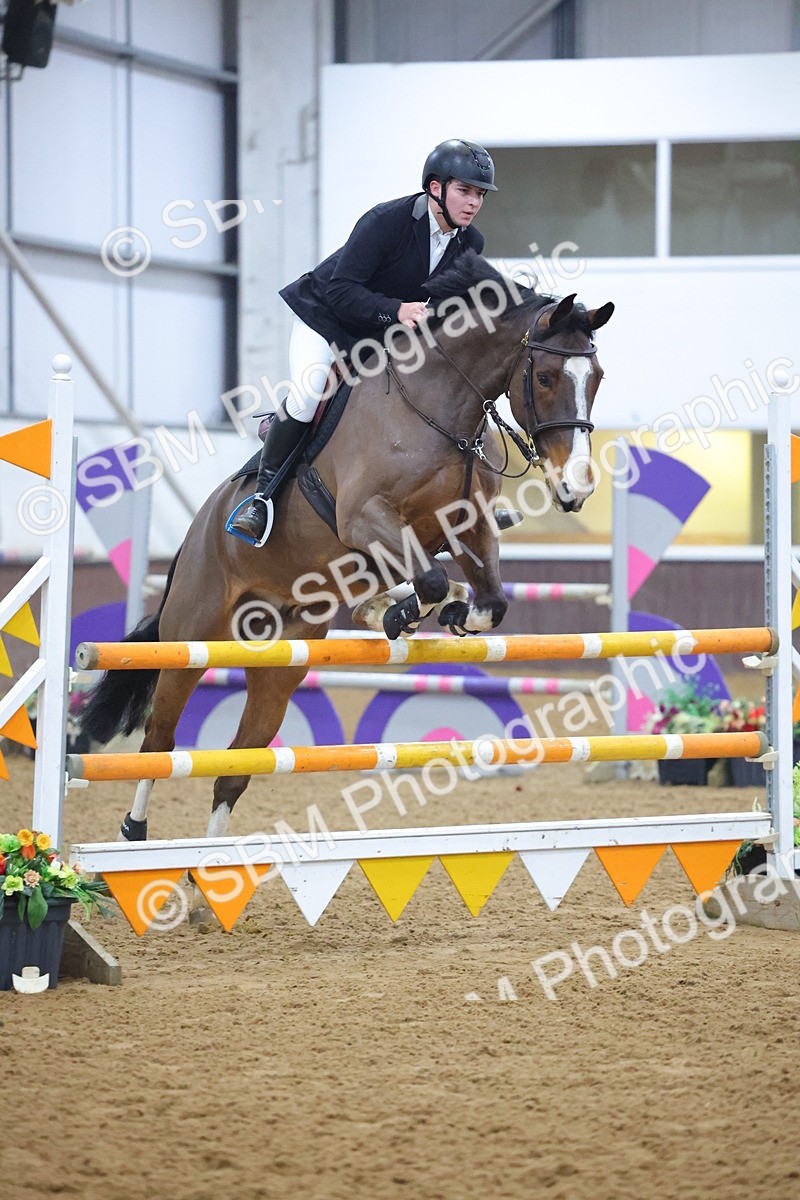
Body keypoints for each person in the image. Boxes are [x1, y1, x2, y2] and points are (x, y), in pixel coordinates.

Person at [227, 138, 497, 546]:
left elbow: (445, 308)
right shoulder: (385, 221)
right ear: (436, 188)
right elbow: (340, 291)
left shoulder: (469, 243)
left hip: (379, 336)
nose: (474, 202)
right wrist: (398, 310)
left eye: (479, 194)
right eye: (465, 190)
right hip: (327, 320)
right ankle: (262, 498)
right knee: (309, 391)